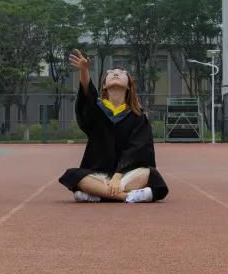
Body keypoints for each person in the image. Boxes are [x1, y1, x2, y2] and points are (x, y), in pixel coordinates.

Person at [58, 49, 168, 203]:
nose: (116, 73)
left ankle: (98, 194)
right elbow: (87, 97)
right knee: (73, 174)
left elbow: (136, 150)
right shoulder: (96, 111)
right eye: (111, 73)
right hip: (98, 175)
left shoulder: (138, 117)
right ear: (104, 85)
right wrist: (84, 71)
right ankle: (126, 196)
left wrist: (117, 176)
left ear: (129, 86)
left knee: (149, 174)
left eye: (122, 73)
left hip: (126, 175)